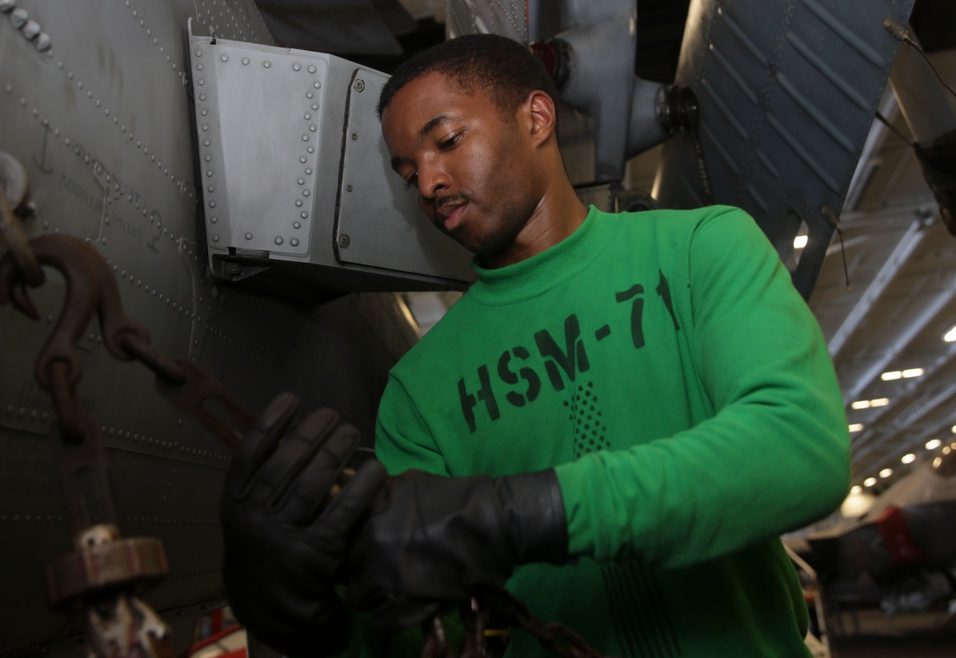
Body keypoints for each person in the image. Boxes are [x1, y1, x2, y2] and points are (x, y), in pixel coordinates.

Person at [222, 33, 850, 658]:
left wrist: (529, 512)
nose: (428, 183)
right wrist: (307, 618)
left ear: (537, 117)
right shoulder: (420, 393)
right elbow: (418, 622)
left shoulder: (698, 248)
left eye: (446, 141)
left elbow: (799, 448)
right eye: (409, 171)